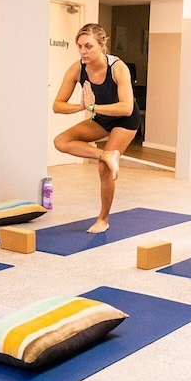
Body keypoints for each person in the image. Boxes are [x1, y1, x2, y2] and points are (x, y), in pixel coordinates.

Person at [52, 23, 139, 234]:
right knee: (61, 141)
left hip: (124, 120)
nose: (83, 51)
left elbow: (126, 108)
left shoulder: (117, 68)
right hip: (100, 118)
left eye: (89, 46)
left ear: (102, 45)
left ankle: (103, 219)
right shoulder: (77, 68)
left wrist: (92, 107)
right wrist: (81, 106)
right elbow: (57, 105)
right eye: (80, 46)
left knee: (103, 169)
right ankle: (106, 154)